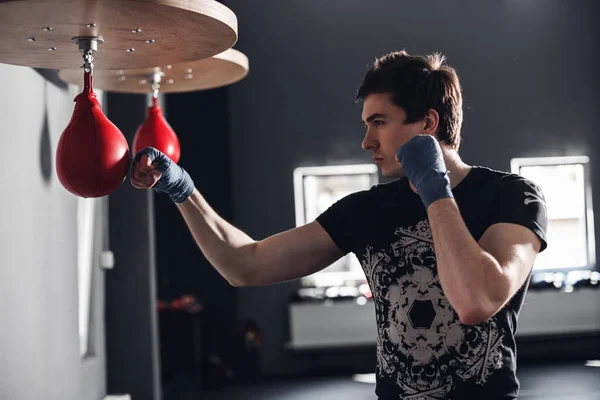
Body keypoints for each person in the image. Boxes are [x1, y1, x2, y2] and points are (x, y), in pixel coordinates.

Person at [130, 50, 547, 400]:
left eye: (379, 122)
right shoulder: (366, 210)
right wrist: (182, 188)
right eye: (366, 124)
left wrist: (433, 188)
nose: (367, 142)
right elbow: (245, 264)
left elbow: (476, 300)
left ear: (428, 124)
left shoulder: (512, 197)